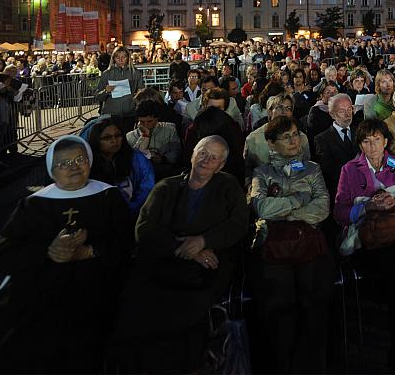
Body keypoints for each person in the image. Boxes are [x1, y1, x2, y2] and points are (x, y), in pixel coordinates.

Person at [112, 136, 249, 373]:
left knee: (189, 315)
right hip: (163, 263)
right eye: (203, 153)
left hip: (207, 267)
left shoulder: (228, 186)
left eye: (214, 157)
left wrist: (205, 240)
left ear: (221, 165)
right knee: (136, 308)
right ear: (193, 154)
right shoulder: (167, 186)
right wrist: (188, 249)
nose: (206, 160)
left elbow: (238, 223)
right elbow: (144, 228)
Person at [0, 136, 131, 373]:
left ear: (89, 161)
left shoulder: (108, 196)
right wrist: (48, 251)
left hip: (98, 291)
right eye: (63, 163)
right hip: (43, 295)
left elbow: (128, 242)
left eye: (80, 159)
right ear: (51, 169)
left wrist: (91, 250)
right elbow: (5, 254)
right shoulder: (34, 205)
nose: (74, 167)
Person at [334, 119, 395, 373]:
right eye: (366, 141)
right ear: (360, 144)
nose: (372, 146)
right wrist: (369, 206)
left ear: (386, 141)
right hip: (369, 239)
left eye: (377, 140)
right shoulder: (349, 170)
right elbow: (340, 213)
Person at [249, 116, 334, 373]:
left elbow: (322, 208)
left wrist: (284, 213)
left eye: (296, 134)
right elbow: (261, 207)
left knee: (314, 302)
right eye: (287, 137)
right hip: (274, 246)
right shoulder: (262, 172)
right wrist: (299, 198)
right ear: (271, 143)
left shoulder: (312, 169)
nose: (294, 140)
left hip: (307, 241)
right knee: (279, 306)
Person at [88, 117, 155, 217]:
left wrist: (130, 209)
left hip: (133, 213)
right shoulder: (88, 163)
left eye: (118, 135)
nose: (114, 140)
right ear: (96, 140)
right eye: (107, 138)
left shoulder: (136, 158)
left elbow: (147, 188)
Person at [244, 94, 311, 175]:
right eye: (279, 107)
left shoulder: (301, 137)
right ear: (269, 111)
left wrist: (287, 170)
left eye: (288, 108)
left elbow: (306, 165)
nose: (284, 111)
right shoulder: (253, 138)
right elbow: (247, 168)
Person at [313, 93, 359, 211]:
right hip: (340, 191)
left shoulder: (360, 132)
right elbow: (328, 171)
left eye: (350, 109)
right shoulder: (322, 139)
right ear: (332, 114)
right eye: (341, 111)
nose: (348, 114)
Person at [126, 100, 181, 180]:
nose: (146, 125)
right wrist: (145, 135)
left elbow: (177, 153)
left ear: (157, 118)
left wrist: (163, 158)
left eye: (149, 121)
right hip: (141, 175)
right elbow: (133, 159)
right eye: (142, 122)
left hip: (165, 173)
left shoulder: (169, 129)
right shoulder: (130, 136)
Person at [94, 46, 144, 133]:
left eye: (123, 57)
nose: (120, 60)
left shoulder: (135, 73)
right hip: (111, 114)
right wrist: (106, 91)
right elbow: (98, 95)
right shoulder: (107, 74)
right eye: (118, 57)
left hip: (130, 113)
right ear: (113, 59)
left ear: (128, 58)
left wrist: (138, 94)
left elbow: (142, 91)